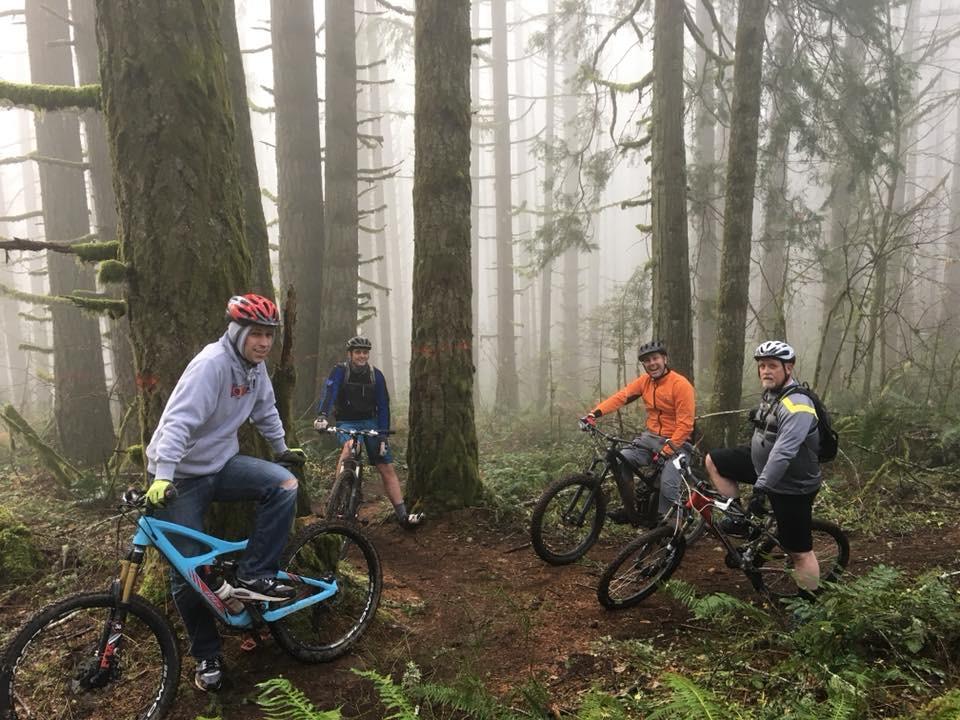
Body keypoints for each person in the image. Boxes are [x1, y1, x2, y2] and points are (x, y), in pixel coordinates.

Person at [145, 294, 306, 693]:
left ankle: (255, 575)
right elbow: (178, 422)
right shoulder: (211, 365)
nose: (264, 343)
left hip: (221, 466)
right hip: (179, 476)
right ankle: (207, 653)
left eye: (269, 335)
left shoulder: (256, 369)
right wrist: (163, 474)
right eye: (257, 334)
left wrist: (281, 448)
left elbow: (266, 410)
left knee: (283, 484)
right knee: (189, 572)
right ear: (237, 332)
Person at [705, 340, 822, 592]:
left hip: (792, 484)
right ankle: (740, 520)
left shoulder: (798, 404)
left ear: (788, 368)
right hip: (764, 467)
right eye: (761, 366)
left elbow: (784, 452)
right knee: (715, 460)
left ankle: (808, 606)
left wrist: (761, 489)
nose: (765, 371)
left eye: (772, 365)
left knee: (800, 553)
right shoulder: (773, 393)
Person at [580, 340, 696, 525]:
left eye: (655, 358)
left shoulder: (680, 385)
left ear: (664, 359)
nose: (652, 363)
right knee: (620, 460)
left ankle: (672, 531)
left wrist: (666, 452)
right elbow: (622, 397)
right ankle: (630, 509)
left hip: (678, 444)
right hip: (649, 439)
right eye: (647, 360)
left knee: (667, 484)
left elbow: (685, 425)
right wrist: (594, 413)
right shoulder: (645, 382)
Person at [313, 336, 424, 529]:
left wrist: (382, 436)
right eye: (358, 352)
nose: (362, 356)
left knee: (385, 466)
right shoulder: (340, 371)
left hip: (371, 422)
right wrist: (322, 415)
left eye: (365, 352)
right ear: (350, 354)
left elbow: (383, 405)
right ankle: (334, 501)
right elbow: (329, 392)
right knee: (349, 447)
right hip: (346, 422)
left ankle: (403, 516)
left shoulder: (376, 375)